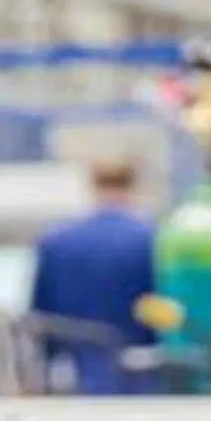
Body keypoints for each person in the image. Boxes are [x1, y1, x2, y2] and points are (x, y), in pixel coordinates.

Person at [29, 153, 162, 395]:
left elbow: (40, 317)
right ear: (133, 184)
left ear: (92, 183)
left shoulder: (56, 241)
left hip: (74, 375)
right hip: (140, 376)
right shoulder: (154, 240)